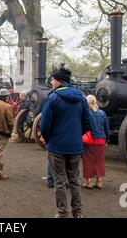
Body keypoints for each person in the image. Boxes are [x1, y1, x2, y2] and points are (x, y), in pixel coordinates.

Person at [40, 66, 93, 218]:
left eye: (52, 80)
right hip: (75, 147)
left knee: (59, 182)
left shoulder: (53, 98)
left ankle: (63, 213)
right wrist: (76, 136)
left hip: (56, 146)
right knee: (75, 180)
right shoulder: (82, 98)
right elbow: (87, 123)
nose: (51, 82)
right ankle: (78, 213)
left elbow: (44, 125)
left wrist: (49, 138)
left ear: (58, 81)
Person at [83, 95, 110, 190]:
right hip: (101, 140)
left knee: (88, 160)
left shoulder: (86, 114)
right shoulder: (102, 113)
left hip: (89, 141)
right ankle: (99, 181)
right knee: (99, 161)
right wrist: (107, 140)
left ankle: (89, 181)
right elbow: (106, 128)